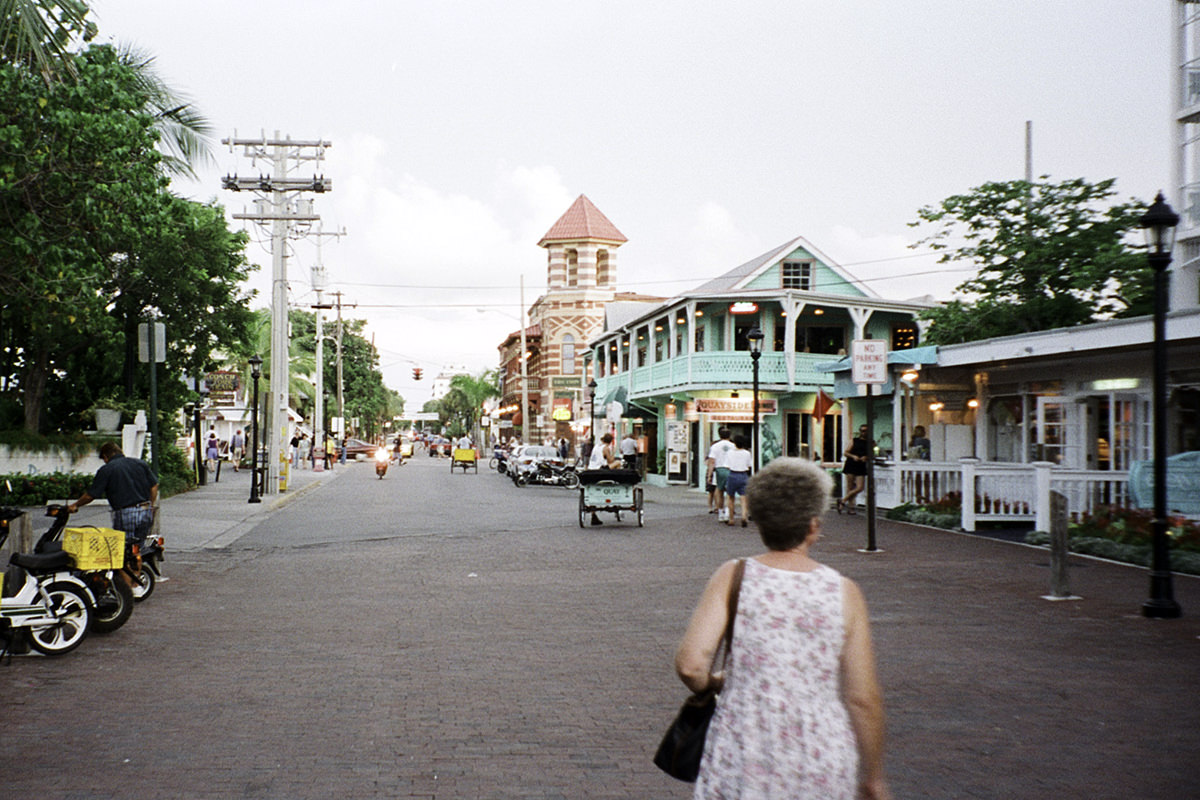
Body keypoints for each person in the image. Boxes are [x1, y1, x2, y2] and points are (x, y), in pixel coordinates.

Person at [675, 458, 891, 800]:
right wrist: (874, 776)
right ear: (814, 526)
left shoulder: (733, 576)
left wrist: (714, 682)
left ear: (759, 520)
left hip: (744, 745)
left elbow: (690, 665)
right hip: (820, 749)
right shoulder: (843, 592)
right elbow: (862, 697)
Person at [67, 442, 159, 546]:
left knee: (124, 548)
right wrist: (151, 504)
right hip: (145, 511)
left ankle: (129, 562)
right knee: (139, 546)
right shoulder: (140, 463)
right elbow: (154, 486)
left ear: (106, 456)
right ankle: (139, 561)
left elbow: (91, 495)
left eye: (104, 459)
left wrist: (76, 505)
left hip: (126, 513)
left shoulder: (107, 469)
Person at [838, 424, 871, 514]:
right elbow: (846, 452)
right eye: (862, 431)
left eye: (866, 431)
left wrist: (867, 457)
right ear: (860, 432)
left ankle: (843, 500)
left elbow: (873, 454)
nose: (864, 433)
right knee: (850, 487)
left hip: (861, 465)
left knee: (860, 487)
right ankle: (851, 508)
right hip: (851, 464)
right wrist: (853, 456)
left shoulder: (871, 442)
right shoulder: (854, 441)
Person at [723, 434, 753, 527]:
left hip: (732, 474)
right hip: (743, 475)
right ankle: (744, 516)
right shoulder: (747, 453)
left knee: (730, 497)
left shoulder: (730, 453)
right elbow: (749, 465)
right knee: (744, 498)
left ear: (735, 443)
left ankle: (731, 519)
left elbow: (727, 466)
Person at [705, 428, 736, 521]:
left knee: (719, 490)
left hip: (719, 470)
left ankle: (720, 512)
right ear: (729, 436)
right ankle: (728, 511)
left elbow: (712, 461)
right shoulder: (733, 446)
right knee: (730, 492)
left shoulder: (715, 446)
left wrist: (709, 474)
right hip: (731, 469)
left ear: (720, 435)